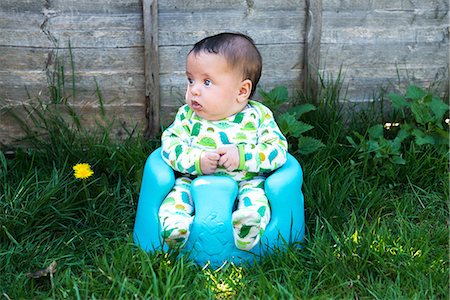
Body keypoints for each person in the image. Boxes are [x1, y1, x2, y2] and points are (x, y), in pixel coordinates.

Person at [158, 32, 288, 251]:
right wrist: (196, 160)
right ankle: (175, 228)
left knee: (256, 199)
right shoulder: (187, 117)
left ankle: (248, 229)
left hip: (247, 181)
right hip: (195, 181)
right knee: (177, 196)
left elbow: (277, 150)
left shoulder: (258, 117)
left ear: (241, 90)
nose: (194, 89)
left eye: (207, 82)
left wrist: (243, 156)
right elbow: (170, 146)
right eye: (191, 80)